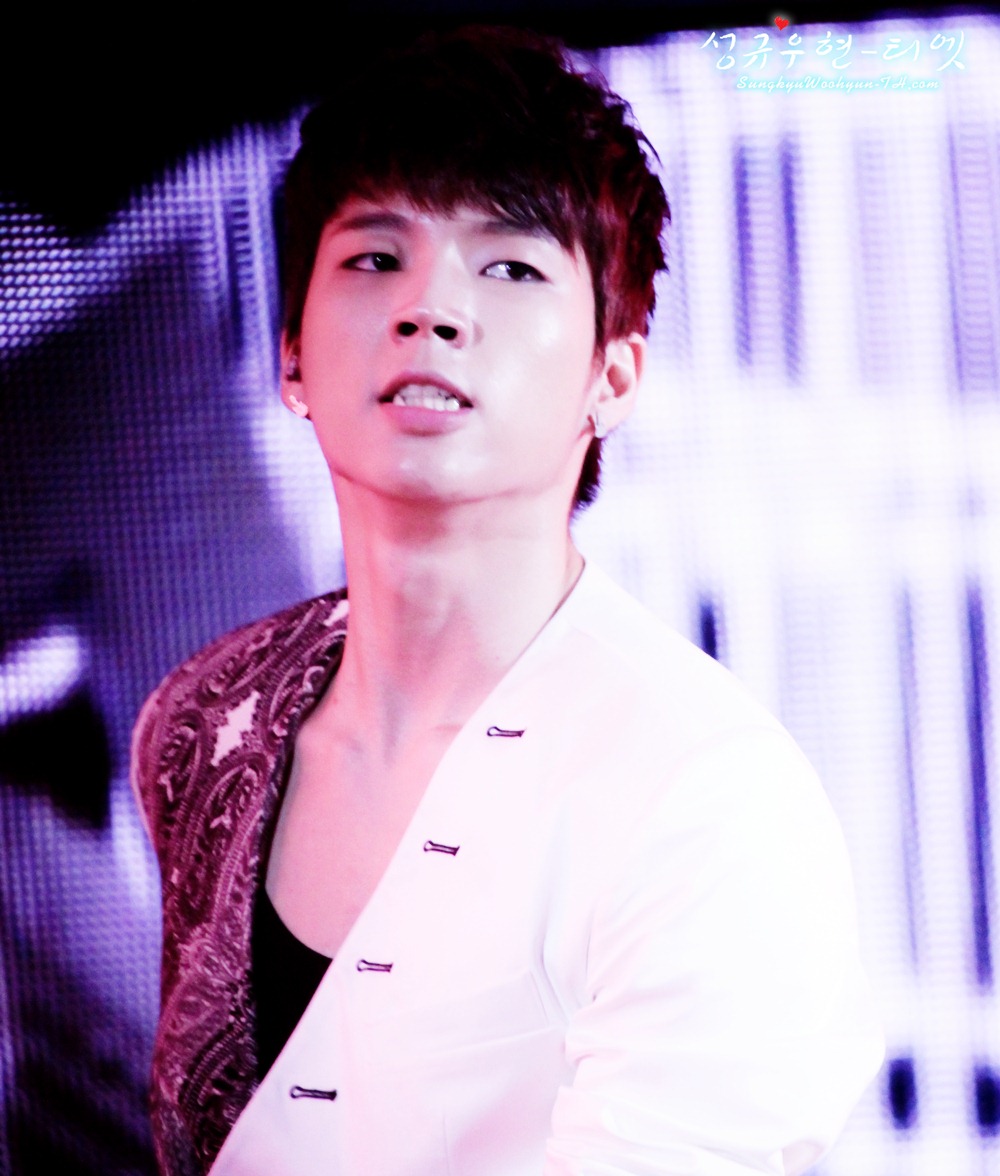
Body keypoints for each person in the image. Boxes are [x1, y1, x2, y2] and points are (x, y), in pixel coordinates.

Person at [131, 25, 884, 1176]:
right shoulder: (205, 716)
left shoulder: (707, 796)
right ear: (291, 356)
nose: (431, 308)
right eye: (374, 258)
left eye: (511, 267)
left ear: (612, 376)